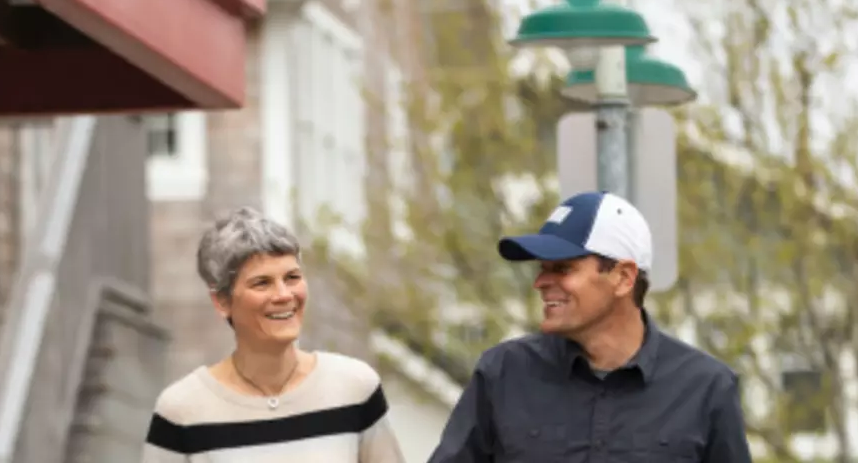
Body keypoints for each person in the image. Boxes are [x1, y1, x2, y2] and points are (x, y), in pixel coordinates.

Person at [428, 191, 752, 463]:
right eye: (542, 269)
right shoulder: (502, 374)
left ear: (623, 277)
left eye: (563, 268)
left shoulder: (706, 388)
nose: (541, 282)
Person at [143, 207, 406, 462]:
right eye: (262, 283)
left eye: (292, 277)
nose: (283, 295)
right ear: (222, 301)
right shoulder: (181, 411)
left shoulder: (355, 388)